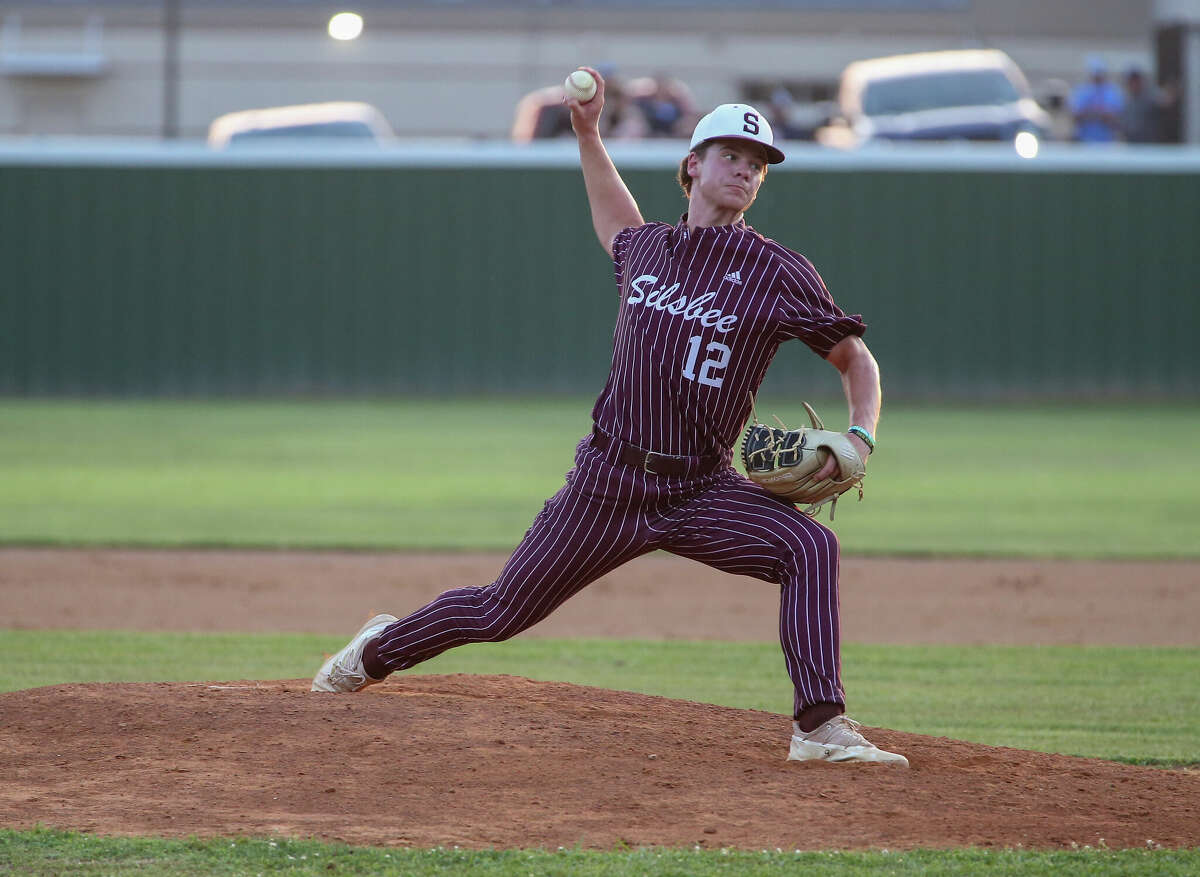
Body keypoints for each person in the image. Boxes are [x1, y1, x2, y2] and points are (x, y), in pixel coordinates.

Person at [311, 67, 906, 766]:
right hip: (608, 484)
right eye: (731, 157)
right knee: (500, 611)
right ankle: (376, 649)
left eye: (757, 165)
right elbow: (611, 206)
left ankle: (819, 725)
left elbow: (855, 359)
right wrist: (589, 133)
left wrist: (861, 434)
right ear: (693, 165)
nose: (745, 171)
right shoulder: (645, 248)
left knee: (810, 547)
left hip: (699, 489)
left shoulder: (778, 271)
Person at [1070, 56, 1124, 143]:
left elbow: (1116, 117)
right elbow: (1075, 115)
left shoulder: (1112, 92)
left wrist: (1100, 114)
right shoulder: (1082, 91)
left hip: (1107, 140)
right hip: (1085, 139)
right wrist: (1095, 113)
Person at [1119, 66, 1162, 143]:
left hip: (1148, 141)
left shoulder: (1150, 96)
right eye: (1131, 81)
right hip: (1131, 141)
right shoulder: (1126, 99)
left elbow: (1165, 100)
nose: (1134, 84)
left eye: (1136, 81)